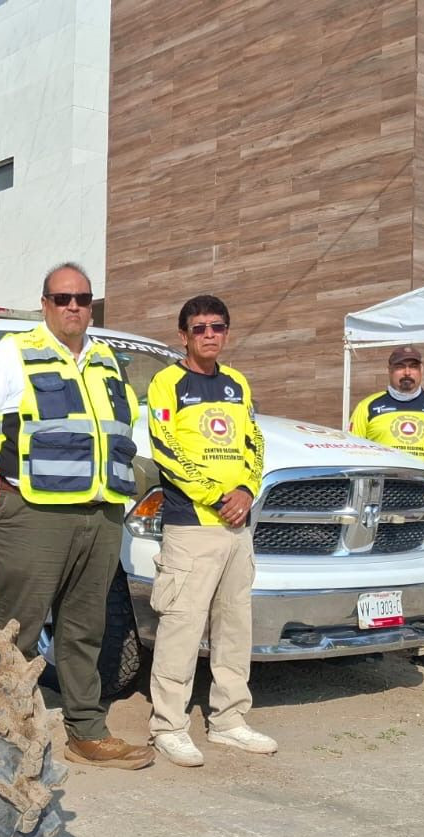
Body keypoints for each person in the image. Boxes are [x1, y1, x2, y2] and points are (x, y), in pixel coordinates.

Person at [0, 262, 153, 770]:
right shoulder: (11, 356)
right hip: (33, 514)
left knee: (85, 628)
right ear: (44, 303)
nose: (73, 307)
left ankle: (86, 730)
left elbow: (125, 431)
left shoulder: (108, 362)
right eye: (63, 298)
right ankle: (1, 736)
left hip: (100, 515)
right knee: (16, 628)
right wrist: (10, 481)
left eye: (83, 299)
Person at [145, 295, 273, 766]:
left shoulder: (238, 384)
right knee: (181, 628)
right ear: (183, 335)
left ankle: (229, 720)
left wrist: (245, 489)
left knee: (234, 628)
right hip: (193, 526)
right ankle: (168, 726)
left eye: (217, 327)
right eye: (199, 328)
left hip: (238, 528)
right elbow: (166, 449)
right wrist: (218, 497)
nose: (209, 335)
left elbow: (255, 444)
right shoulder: (167, 383)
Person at [349, 345, 424, 674]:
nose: (407, 373)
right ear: (390, 370)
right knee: (373, 568)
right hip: (378, 500)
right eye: (401, 367)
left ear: (422, 371)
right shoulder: (369, 407)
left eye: (413, 366)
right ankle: (369, 639)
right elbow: (352, 450)